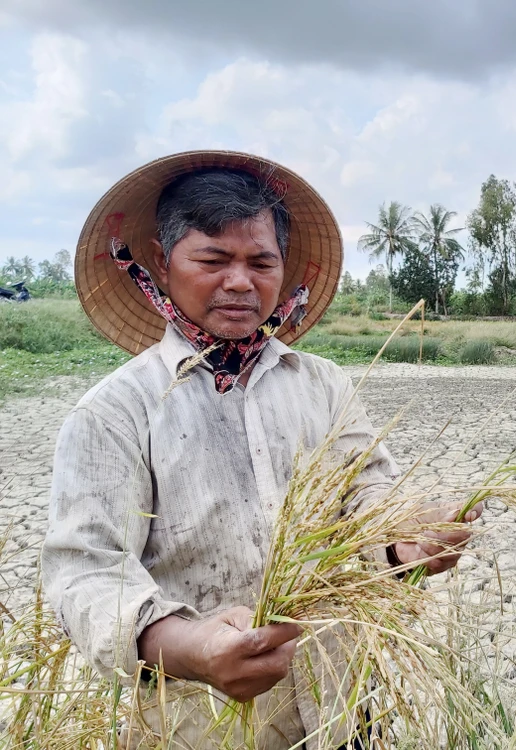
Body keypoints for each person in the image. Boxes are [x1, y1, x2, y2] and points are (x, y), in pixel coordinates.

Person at [41, 151, 483, 749]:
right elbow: (85, 573)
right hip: (201, 724)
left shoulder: (321, 384)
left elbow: (368, 495)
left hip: (340, 703)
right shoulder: (116, 413)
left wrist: (406, 535)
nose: (241, 282)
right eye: (213, 259)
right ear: (161, 263)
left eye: (261, 261)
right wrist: (192, 647)